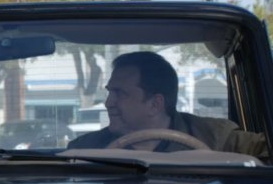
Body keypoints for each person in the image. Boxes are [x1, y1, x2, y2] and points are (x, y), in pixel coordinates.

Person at [67, 51, 268, 159]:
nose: (108, 102)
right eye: (110, 92)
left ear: (155, 104)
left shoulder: (218, 138)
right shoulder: (85, 149)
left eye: (120, 93)